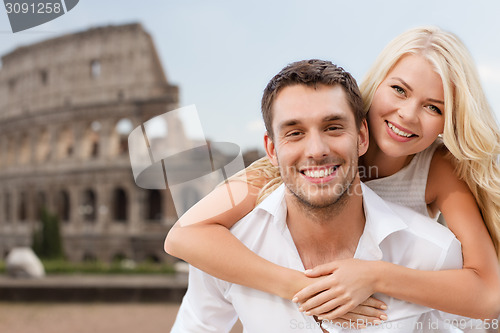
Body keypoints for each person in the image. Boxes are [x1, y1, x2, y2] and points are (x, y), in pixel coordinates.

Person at [166, 26, 500, 324]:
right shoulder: (299, 159)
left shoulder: (437, 168)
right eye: (399, 90)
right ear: (377, 84)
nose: (408, 114)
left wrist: (375, 276)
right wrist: (303, 287)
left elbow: (487, 293)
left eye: (434, 107)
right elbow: (184, 235)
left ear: (449, 121)